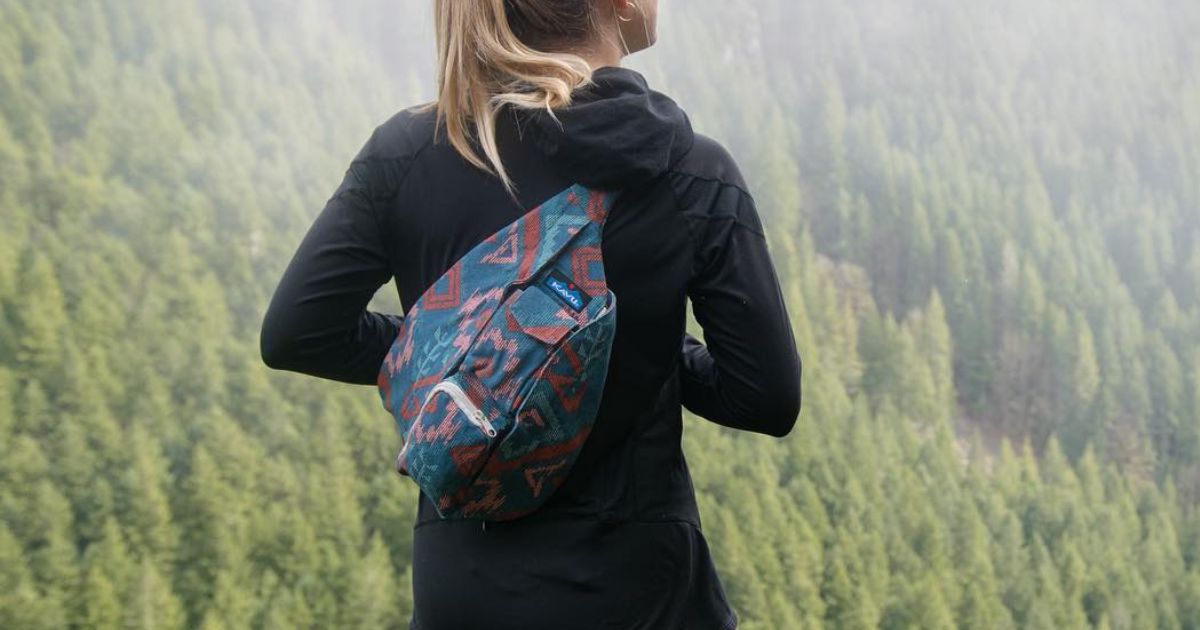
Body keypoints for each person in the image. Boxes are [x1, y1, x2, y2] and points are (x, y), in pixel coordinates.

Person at [259, 0, 802, 627]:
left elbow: (298, 332)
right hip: (639, 597)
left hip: (463, 597)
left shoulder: (411, 153)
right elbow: (765, 395)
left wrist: (459, 354)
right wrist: (633, 344)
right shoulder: (688, 172)